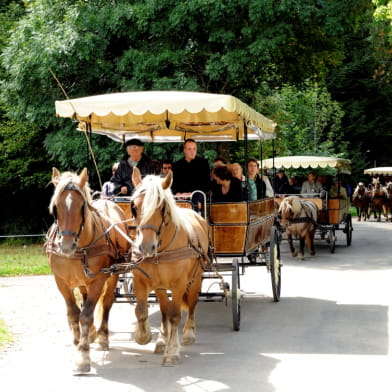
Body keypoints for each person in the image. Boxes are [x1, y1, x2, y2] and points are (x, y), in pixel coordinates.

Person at [172, 139, 211, 210]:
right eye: (189, 149)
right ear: (184, 150)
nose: (192, 152)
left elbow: (207, 184)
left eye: (194, 149)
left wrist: (191, 193)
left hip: (197, 195)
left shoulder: (203, 164)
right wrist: (178, 193)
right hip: (181, 196)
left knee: (196, 201)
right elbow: (173, 184)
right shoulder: (177, 165)